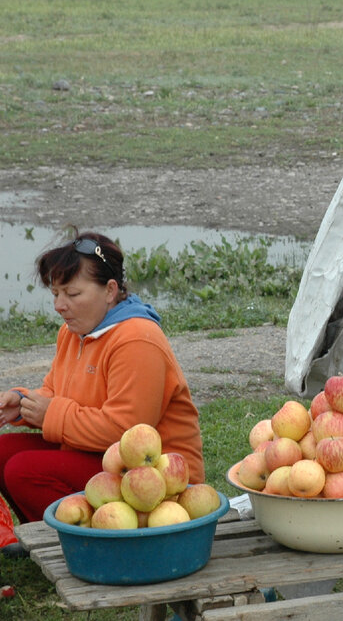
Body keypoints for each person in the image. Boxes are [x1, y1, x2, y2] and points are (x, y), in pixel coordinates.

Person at [0, 230, 204, 557]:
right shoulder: (74, 332)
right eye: (55, 294)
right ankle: (53, 536)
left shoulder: (137, 339)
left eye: (72, 293)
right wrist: (22, 403)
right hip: (102, 456)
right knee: (3, 450)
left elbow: (129, 430)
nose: (59, 306)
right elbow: (55, 391)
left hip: (157, 477)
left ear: (110, 291)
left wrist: (51, 414)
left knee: (24, 469)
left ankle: (94, 545)